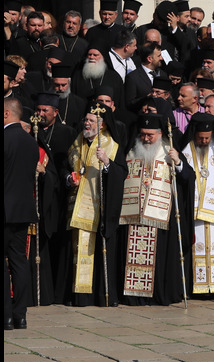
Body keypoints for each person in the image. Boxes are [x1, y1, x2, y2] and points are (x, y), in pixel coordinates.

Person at [118, 113, 195, 306]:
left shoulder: (169, 151)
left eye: (150, 135)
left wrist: (178, 163)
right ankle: (132, 295)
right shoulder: (131, 151)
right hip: (132, 214)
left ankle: (156, 294)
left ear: (160, 134)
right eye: (143, 134)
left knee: (159, 258)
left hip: (159, 214)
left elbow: (189, 177)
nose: (145, 139)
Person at [65, 104, 127, 307]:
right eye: (86, 119)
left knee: (98, 252)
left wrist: (107, 162)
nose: (87, 123)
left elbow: (121, 174)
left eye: (91, 121)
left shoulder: (112, 145)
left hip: (100, 206)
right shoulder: (77, 142)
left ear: (102, 125)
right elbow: (65, 167)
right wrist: (69, 177)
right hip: (77, 204)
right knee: (78, 250)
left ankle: (101, 295)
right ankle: (80, 297)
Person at [180, 114, 214, 296]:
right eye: (201, 138)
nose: (204, 141)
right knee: (197, 248)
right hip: (193, 209)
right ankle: (197, 288)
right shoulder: (185, 149)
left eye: (207, 138)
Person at [5, 98, 38, 329]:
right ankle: (20, 315)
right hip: (23, 210)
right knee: (19, 261)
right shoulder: (30, 141)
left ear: (7, 114)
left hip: (5, 210)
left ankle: (6, 316)